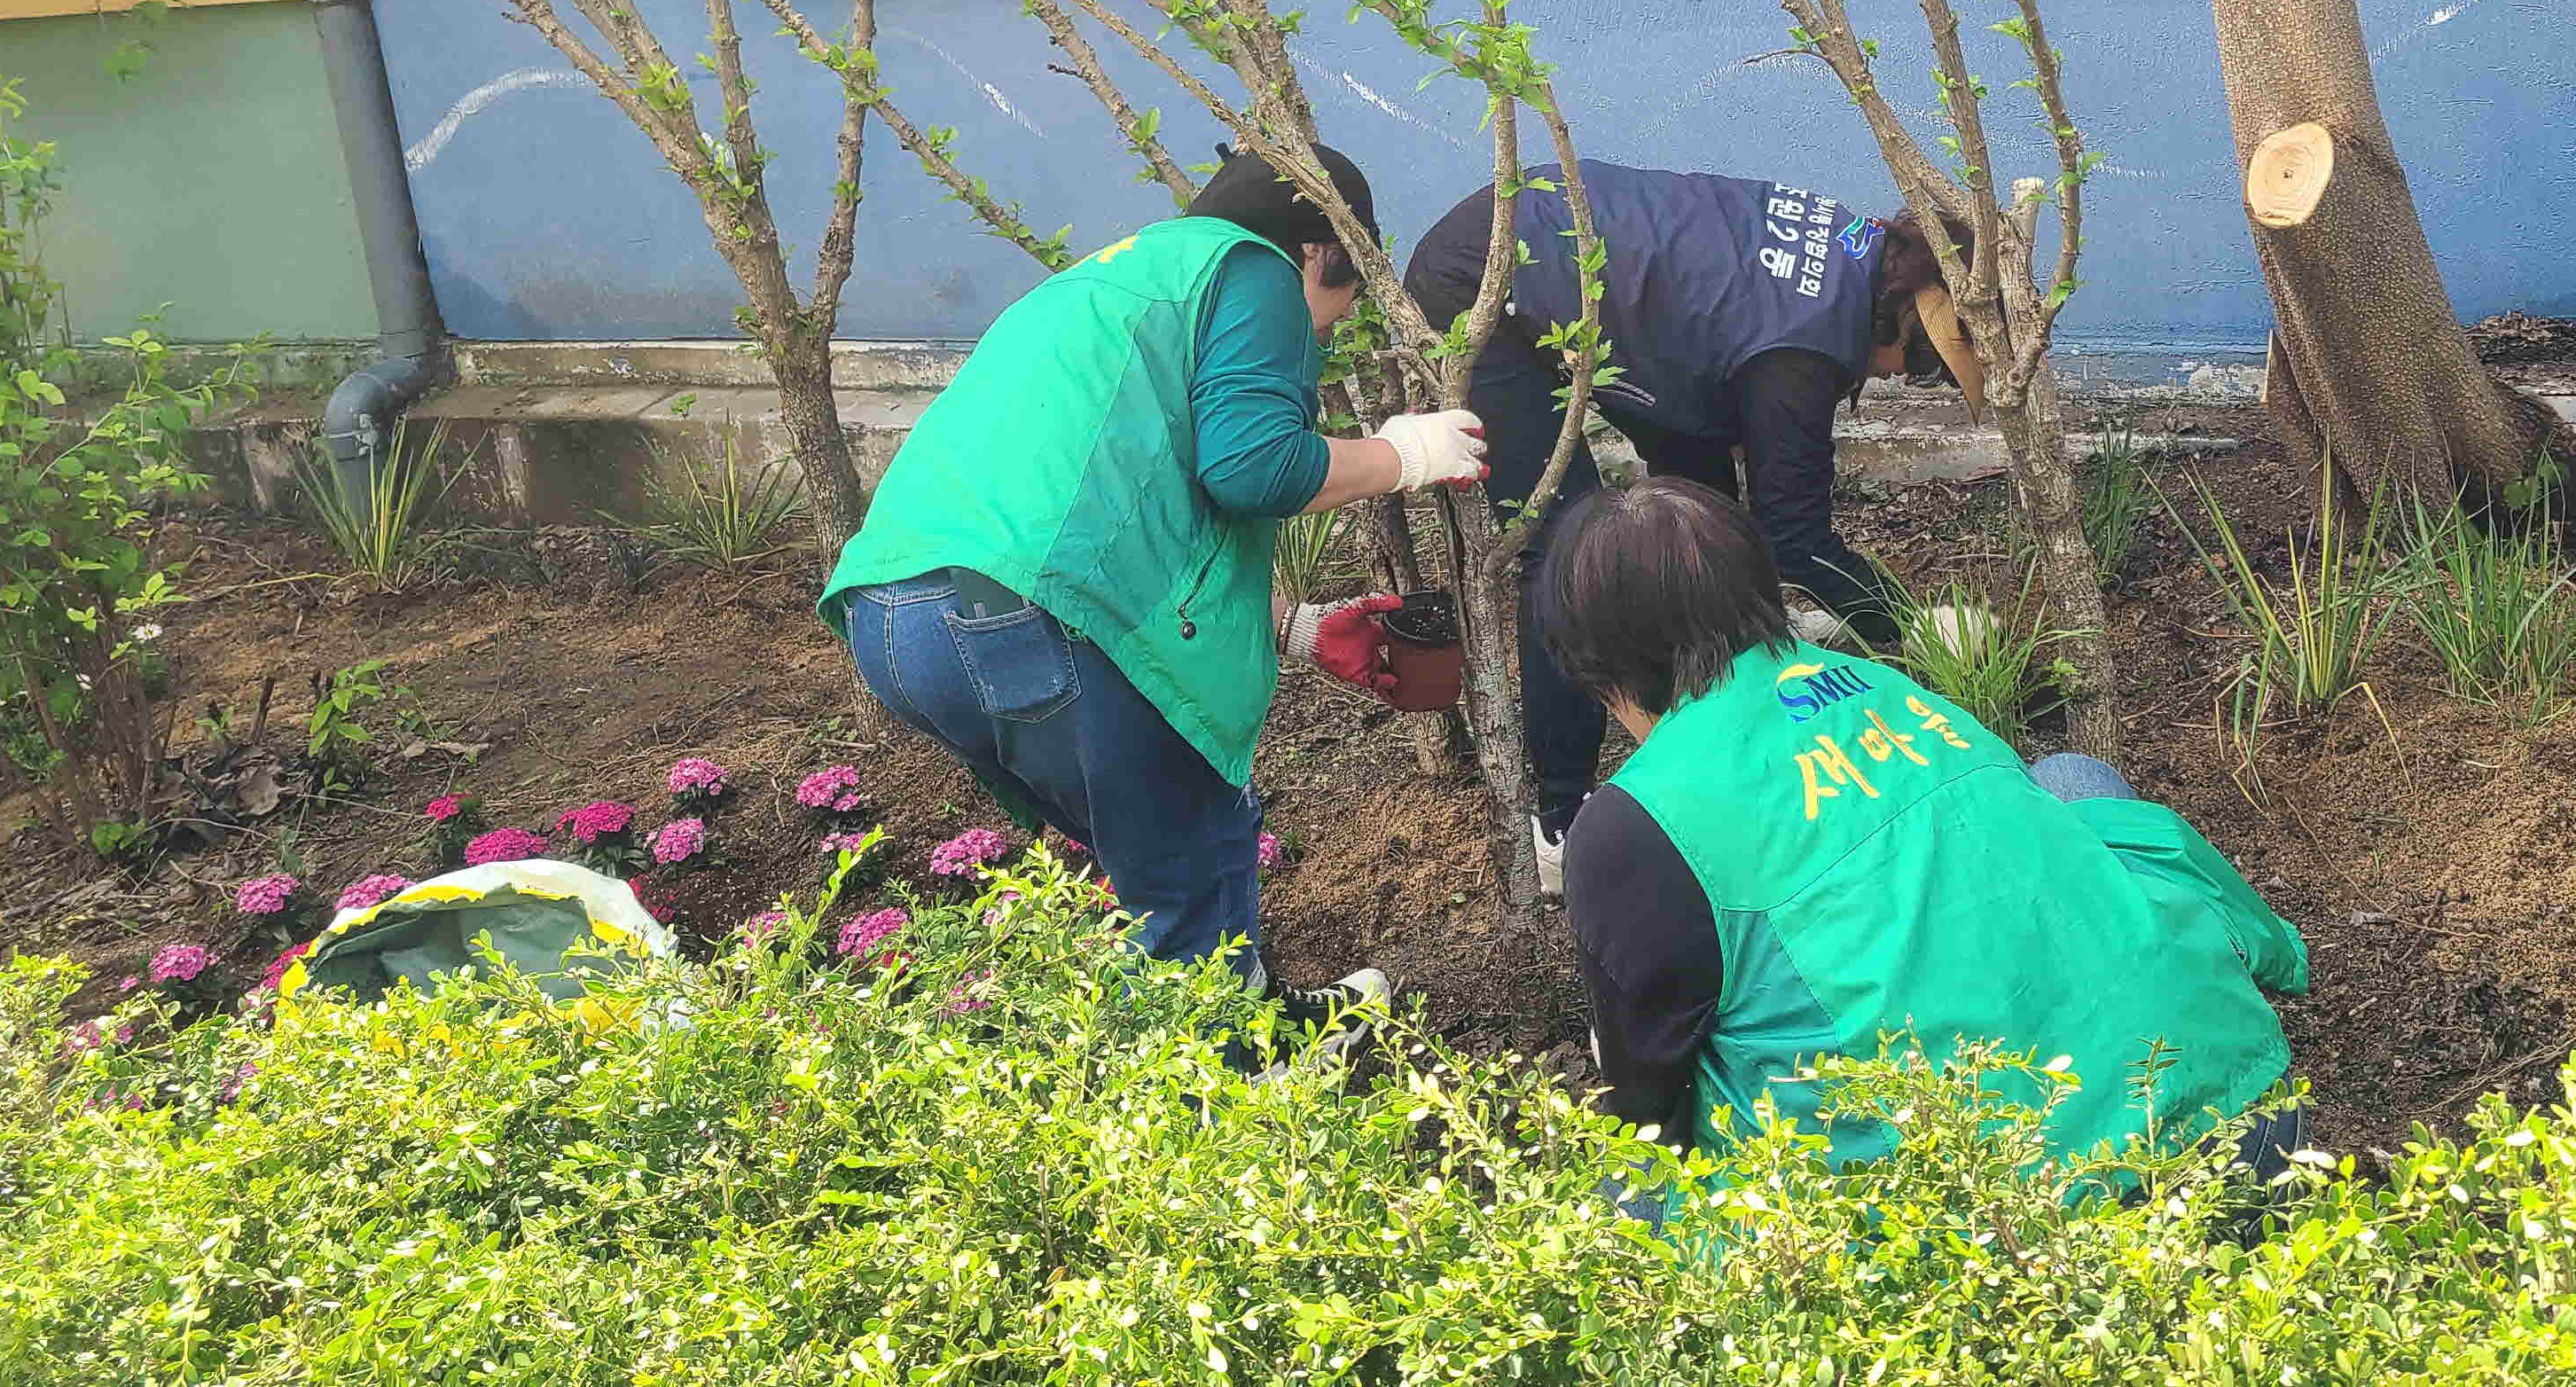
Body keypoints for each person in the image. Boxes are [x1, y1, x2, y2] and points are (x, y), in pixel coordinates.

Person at [819, 143, 1488, 1057]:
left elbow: (1115, 510)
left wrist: (1292, 631)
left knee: (1155, 852)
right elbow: (1256, 466)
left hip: (897, 622)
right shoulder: (1249, 265)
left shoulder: (1097, 288)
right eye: (1341, 305)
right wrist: (1406, 454)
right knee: (1189, 850)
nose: (1324, 336)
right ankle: (1225, 1107)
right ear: (1313, 252)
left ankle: (1238, 1026)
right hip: (1031, 619)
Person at [1546, 478, 2308, 1187]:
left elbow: (1650, 1110)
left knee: (1628, 1191)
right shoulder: (1878, 682)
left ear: (1603, 672)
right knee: (2071, 780)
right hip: (2242, 1113)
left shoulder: (1635, 824)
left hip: (2034, 1224)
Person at [1405, 161, 1983, 891]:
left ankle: (1719, 690)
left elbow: (1724, 472)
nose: (1911, 378)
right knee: (1566, 545)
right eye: (1930, 361)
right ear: (1904, 311)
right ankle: (1560, 819)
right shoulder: (1800, 353)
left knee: (1698, 508)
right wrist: (1916, 626)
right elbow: (1797, 539)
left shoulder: (1855, 254)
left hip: (1579, 259)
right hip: (1488, 279)